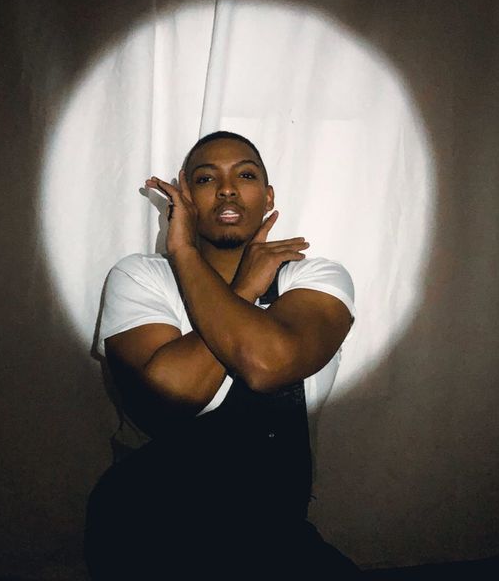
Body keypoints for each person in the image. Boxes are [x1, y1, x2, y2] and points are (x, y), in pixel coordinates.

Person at [84, 131, 360, 577]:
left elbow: (268, 364)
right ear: (187, 196)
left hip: (273, 535)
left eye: (245, 175)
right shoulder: (141, 276)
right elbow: (169, 396)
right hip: (146, 530)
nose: (228, 189)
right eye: (207, 178)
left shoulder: (314, 278)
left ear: (267, 195)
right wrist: (220, 273)